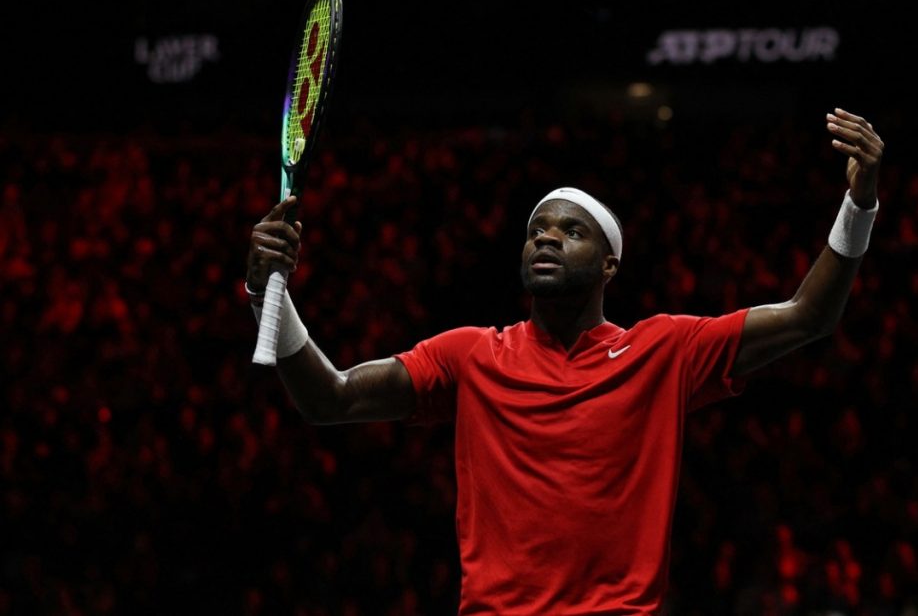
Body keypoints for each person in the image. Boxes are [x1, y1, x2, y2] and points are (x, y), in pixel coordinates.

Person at [245, 108, 884, 614]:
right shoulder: (469, 355)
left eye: (571, 231)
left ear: (610, 264)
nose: (546, 236)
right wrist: (265, 294)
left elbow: (810, 316)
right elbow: (328, 399)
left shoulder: (664, 350)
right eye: (536, 230)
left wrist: (859, 205)